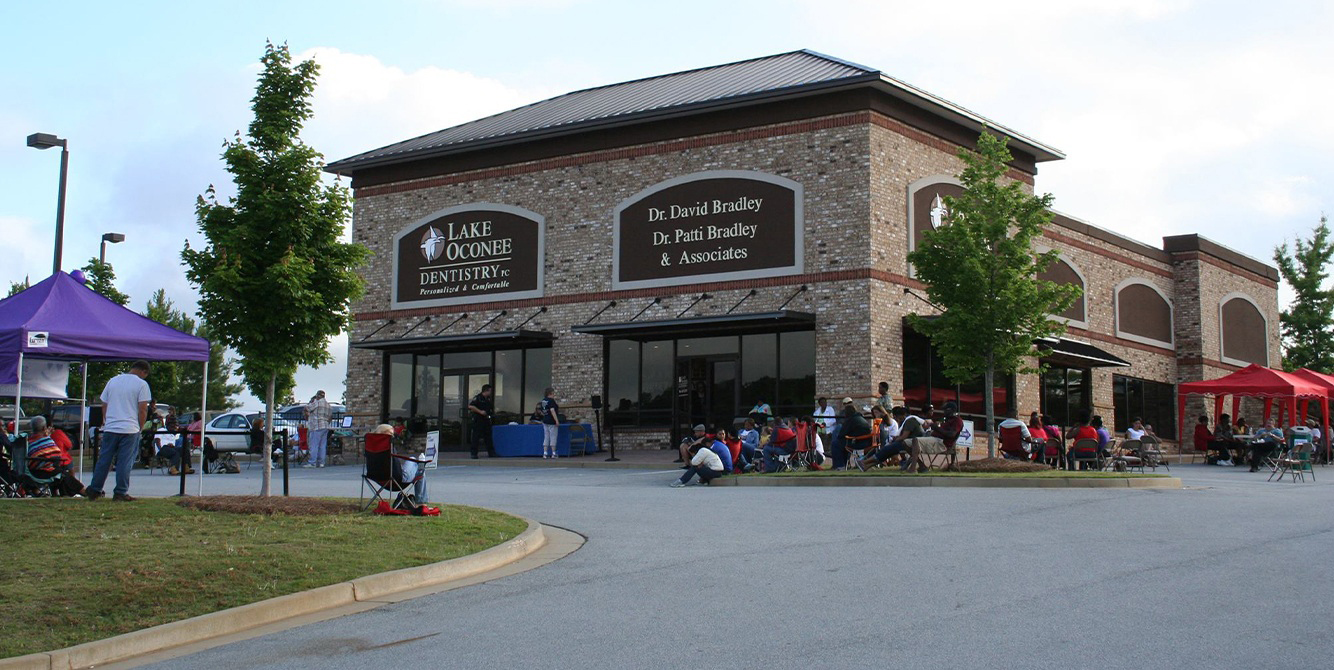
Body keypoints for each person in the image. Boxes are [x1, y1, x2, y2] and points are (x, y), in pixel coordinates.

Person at [86, 360, 152, 502]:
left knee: (104, 459)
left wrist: (107, 420)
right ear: (143, 372)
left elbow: (104, 404)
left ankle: (94, 489)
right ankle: (120, 492)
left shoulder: (113, 381)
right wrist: (140, 426)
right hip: (130, 428)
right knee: (124, 461)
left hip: (111, 427)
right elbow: (142, 409)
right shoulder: (142, 384)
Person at [26, 416, 85, 497]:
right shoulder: (46, 441)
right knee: (63, 474)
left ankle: (77, 492)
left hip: (30, 472)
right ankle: (83, 491)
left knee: (62, 473)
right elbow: (57, 454)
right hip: (43, 473)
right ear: (44, 428)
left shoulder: (28, 442)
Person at [373, 424, 428, 504]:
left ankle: (421, 502)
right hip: (396, 479)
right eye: (390, 434)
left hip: (378, 478)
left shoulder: (372, 446)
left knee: (419, 468)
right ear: (383, 433)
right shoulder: (387, 446)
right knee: (416, 464)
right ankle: (421, 503)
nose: (392, 436)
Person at [858, 406, 923, 471]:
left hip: (910, 444)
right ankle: (867, 465)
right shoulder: (909, 420)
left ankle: (865, 462)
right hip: (908, 443)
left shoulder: (910, 421)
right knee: (886, 451)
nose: (898, 420)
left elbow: (904, 436)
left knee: (886, 449)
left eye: (898, 418)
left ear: (903, 415)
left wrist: (895, 439)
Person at [305, 390, 333, 468]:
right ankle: (321, 463)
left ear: (317, 396)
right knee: (322, 445)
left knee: (314, 445)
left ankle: (312, 462)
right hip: (325, 426)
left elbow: (307, 408)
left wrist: (311, 403)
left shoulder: (317, 403)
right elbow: (330, 417)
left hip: (316, 426)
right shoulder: (328, 406)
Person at [467, 384, 496, 459]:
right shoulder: (478, 398)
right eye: (490, 391)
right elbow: (470, 406)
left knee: (488, 437)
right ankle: (474, 453)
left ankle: (491, 452)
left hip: (486, 420)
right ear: (486, 390)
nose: (491, 392)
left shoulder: (488, 399)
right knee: (476, 437)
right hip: (478, 420)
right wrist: (480, 412)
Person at [539, 387, 560, 459]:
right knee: (553, 436)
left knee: (546, 436)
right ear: (550, 393)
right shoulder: (551, 401)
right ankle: (553, 453)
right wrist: (556, 420)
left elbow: (541, 411)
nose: (554, 395)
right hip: (551, 421)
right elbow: (552, 411)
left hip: (545, 420)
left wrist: (545, 415)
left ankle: (545, 453)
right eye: (553, 393)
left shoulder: (543, 401)